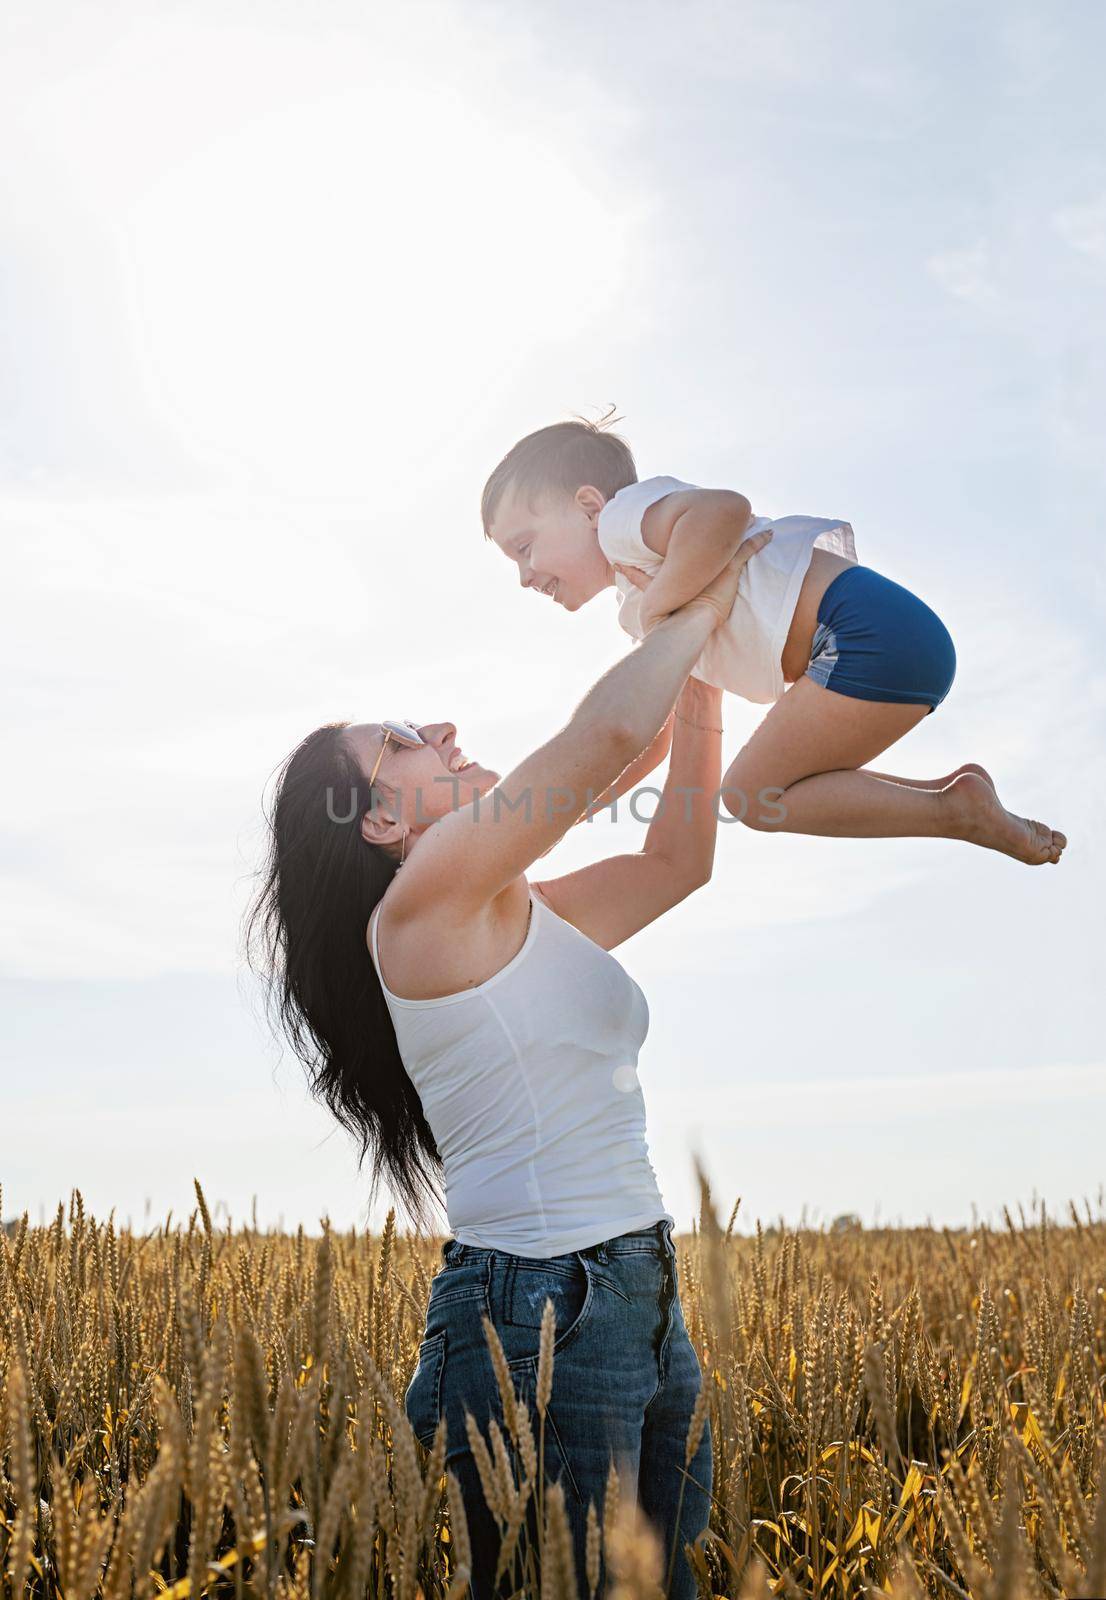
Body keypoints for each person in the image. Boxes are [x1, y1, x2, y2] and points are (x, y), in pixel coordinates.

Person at [244, 532, 770, 1598]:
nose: (439, 726)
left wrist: (703, 670)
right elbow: (611, 734)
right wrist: (697, 604)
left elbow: (677, 855)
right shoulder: (421, 909)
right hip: (538, 1312)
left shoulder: (510, 913)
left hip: (635, 1289)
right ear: (384, 818)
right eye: (401, 737)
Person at [483, 414, 1067, 866]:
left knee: (751, 796)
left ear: (587, 506)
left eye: (525, 547)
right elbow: (653, 731)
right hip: (873, 647)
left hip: (862, 630)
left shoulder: (624, 523)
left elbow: (724, 511)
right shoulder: (641, 600)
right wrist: (583, 804)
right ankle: (954, 803)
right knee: (766, 795)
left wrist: (664, 608)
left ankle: (953, 813)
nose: (524, 576)